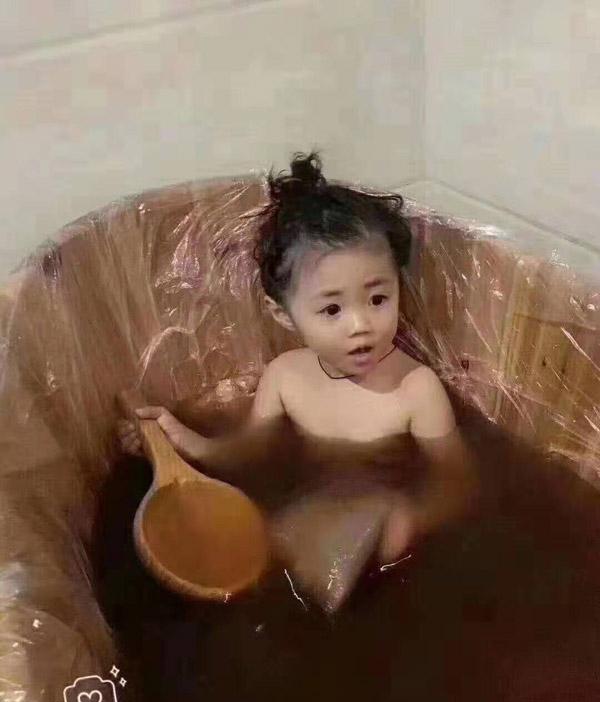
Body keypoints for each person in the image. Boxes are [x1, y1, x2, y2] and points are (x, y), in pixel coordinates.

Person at [117, 150, 479, 563]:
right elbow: (248, 452)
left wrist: (413, 517)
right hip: (304, 518)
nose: (360, 325)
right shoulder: (285, 376)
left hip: (382, 536)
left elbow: (457, 482)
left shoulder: (416, 389)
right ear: (283, 314)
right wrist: (184, 443)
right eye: (332, 309)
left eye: (378, 299)